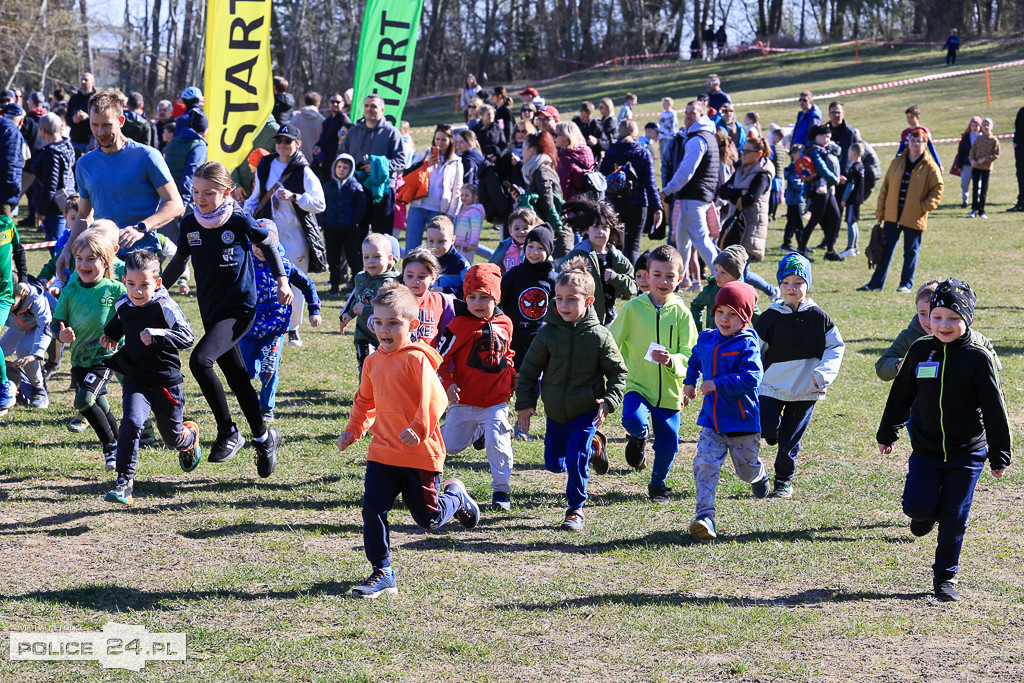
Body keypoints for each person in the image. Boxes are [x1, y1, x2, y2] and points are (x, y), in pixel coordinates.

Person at [338, 282, 481, 599]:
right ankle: (383, 571)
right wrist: (354, 429)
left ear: (413, 325)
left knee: (428, 519)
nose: (384, 330)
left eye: (394, 323)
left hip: (419, 455)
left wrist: (418, 427)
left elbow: (436, 399)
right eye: (379, 322)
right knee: (372, 509)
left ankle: (455, 496)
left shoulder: (417, 359)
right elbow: (365, 400)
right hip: (383, 452)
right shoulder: (374, 361)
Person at [877, 278, 1010, 602]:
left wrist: (999, 454)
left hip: (968, 452)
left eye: (953, 318)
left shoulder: (978, 358)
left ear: (967, 319)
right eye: (937, 317)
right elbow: (902, 393)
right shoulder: (921, 349)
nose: (944, 325)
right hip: (927, 448)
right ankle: (925, 515)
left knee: (955, 516)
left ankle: (945, 579)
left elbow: (995, 407)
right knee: (916, 505)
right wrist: (888, 431)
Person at [161, 161, 287, 476]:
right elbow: (179, 260)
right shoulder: (190, 224)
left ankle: (228, 430)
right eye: (195, 192)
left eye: (208, 193)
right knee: (237, 376)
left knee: (200, 361)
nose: (200, 198)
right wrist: (157, 290)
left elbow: (268, 245)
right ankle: (263, 436)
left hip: (240, 309)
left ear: (226, 192)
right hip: (211, 311)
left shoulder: (240, 221)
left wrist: (282, 279)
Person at [515, 256, 628, 531]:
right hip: (555, 413)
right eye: (560, 299)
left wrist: (609, 402)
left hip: (586, 411)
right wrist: (525, 404)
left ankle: (575, 510)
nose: (564, 305)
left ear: (588, 301)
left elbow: (618, 373)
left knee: (576, 457)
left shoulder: (599, 336)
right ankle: (595, 448)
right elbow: (528, 372)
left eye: (572, 299)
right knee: (555, 464)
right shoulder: (547, 335)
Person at [98, 250, 200, 504]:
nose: (137, 291)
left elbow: (188, 337)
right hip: (136, 378)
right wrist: (109, 336)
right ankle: (124, 483)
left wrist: (158, 333)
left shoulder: (165, 306)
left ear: (157, 283)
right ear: (124, 282)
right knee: (131, 423)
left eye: (144, 285)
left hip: (165, 381)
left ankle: (188, 438)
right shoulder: (124, 304)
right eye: (131, 284)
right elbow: (121, 321)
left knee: (172, 438)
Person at [55, 92, 186, 277]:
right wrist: (67, 249)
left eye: (107, 125)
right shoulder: (85, 164)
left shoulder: (147, 156)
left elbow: (175, 204)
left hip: (143, 259)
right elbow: (84, 215)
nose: (100, 132)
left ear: (121, 121)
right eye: (95, 125)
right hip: (103, 258)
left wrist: (141, 228)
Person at [610, 245, 697, 503]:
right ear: (646, 276)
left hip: (670, 392)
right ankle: (637, 438)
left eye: (670, 276)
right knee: (634, 420)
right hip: (637, 384)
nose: (663, 281)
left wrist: (673, 362)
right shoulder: (633, 309)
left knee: (668, 445)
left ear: (679, 279)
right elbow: (612, 343)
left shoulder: (682, 314)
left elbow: (691, 355)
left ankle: (658, 484)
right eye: (657, 274)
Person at [684, 280, 770, 540]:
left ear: (745, 317)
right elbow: (696, 357)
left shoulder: (748, 343)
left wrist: (716, 384)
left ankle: (758, 474)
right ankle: (705, 517)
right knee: (705, 463)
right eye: (720, 311)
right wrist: (690, 381)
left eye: (733, 314)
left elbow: (752, 379)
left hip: (742, 423)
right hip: (712, 422)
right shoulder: (707, 337)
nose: (724, 318)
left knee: (745, 472)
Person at [756, 253, 845, 498]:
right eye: (786, 282)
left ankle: (783, 482)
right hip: (771, 386)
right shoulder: (770, 316)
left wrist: (824, 374)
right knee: (766, 427)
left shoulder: (819, 317)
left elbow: (836, 347)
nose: (792, 288)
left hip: (806, 387)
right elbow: (755, 350)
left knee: (790, 440)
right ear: (779, 285)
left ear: (808, 285)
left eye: (798, 282)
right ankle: (772, 433)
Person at [437, 263, 518, 510]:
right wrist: (449, 385)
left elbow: (507, 353)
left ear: (496, 297)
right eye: (471, 297)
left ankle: (501, 492)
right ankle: (476, 432)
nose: (477, 303)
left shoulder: (506, 323)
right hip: (464, 401)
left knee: (498, 443)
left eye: (485, 297)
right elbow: (439, 360)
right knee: (449, 446)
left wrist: (512, 379)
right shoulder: (457, 326)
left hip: (496, 402)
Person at [246, 124, 326, 346]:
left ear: (297, 144)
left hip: (296, 233)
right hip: (268, 232)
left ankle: (294, 327)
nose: (282, 145)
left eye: (287, 141)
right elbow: (256, 195)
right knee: (265, 279)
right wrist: (244, 213)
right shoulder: (266, 164)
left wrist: (296, 197)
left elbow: (320, 203)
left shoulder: (304, 170)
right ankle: (266, 321)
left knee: (296, 280)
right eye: (279, 140)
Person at [52, 229, 126, 469]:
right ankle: (122, 447)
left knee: (83, 400)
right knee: (101, 405)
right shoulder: (70, 291)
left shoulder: (116, 290)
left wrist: (119, 338)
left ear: (105, 263)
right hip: (79, 360)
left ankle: (110, 447)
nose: (84, 264)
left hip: (106, 358)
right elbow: (55, 322)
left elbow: (132, 318)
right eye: (79, 259)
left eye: (91, 259)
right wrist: (60, 334)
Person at [239, 221, 321, 423]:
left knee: (269, 370)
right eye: (257, 245)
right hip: (248, 329)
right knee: (246, 373)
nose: (261, 250)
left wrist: (314, 310)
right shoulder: (244, 262)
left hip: (275, 329)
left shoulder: (284, 265)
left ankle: (266, 408)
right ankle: (251, 388)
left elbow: (307, 284)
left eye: (267, 245)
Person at [858, 127, 943, 293]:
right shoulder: (897, 161)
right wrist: (880, 210)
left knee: (910, 252)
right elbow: (886, 187)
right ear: (908, 143)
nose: (915, 144)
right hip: (892, 215)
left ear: (925, 144)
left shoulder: (930, 166)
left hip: (914, 216)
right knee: (884, 250)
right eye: (912, 140)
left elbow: (938, 188)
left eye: (919, 141)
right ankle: (876, 284)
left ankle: (906, 284)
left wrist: (924, 206)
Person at [874, 279, 1000, 382]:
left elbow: (996, 367)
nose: (929, 321)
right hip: (921, 407)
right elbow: (881, 366)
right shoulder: (910, 337)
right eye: (923, 314)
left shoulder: (973, 338)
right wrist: (899, 365)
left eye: (936, 315)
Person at [662, 100, 720, 282]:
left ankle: (724, 277)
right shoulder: (706, 135)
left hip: (692, 197)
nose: (687, 116)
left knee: (701, 242)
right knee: (682, 241)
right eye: (686, 112)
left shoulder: (697, 139)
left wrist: (667, 190)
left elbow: (685, 171)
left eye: (692, 112)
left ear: (702, 115)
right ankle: (680, 279)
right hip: (697, 196)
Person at [338, 95, 406, 236]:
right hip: (357, 187)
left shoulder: (392, 133)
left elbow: (401, 161)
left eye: (374, 106)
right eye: (367, 106)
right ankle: (356, 258)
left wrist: (377, 168)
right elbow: (342, 156)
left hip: (383, 189)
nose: (370, 109)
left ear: (382, 109)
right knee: (356, 232)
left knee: (381, 235)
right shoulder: (353, 131)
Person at [562, 198, 637, 325]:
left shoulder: (617, 257)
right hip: (581, 321)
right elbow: (560, 281)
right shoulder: (578, 254)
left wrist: (615, 278)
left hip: (609, 319)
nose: (600, 231)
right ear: (587, 229)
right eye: (595, 226)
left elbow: (632, 289)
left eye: (605, 227)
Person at [599, 120, 662, 266]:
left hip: (614, 204)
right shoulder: (642, 152)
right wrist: (657, 208)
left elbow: (602, 179)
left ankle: (613, 281)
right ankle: (633, 282)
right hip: (637, 204)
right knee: (633, 247)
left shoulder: (611, 152)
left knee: (614, 247)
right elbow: (650, 183)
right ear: (635, 132)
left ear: (619, 132)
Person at [340, 233, 400, 375]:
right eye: (366, 257)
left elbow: (388, 309)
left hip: (385, 335)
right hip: (364, 333)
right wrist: (349, 314)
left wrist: (366, 310)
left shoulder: (391, 282)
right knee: (365, 362)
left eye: (376, 256)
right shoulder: (360, 277)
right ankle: (365, 395)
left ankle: (381, 394)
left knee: (385, 367)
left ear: (389, 258)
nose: (371, 261)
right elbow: (358, 298)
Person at [719, 136, 776, 269]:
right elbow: (722, 191)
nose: (742, 154)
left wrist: (735, 193)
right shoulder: (740, 169)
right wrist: (740, 194)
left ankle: (770, 291)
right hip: (737, 222)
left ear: (759, 154)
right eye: (742, 150)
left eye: (747, 151)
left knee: (739, 270)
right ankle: (772, 291)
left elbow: (750, 198)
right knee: (741, 271)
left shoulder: (763, 174)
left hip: (751, 226)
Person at [405, 124, 463, 251]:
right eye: (437, 139)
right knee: (412, 246)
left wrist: (451, 214)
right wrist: (425, 164)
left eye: (444, 140)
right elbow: (408, 173)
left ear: (450, 141)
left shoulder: (456, 162)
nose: (440, 143)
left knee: (436, 248)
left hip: (439, 209)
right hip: (418, 205)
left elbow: (457, 190)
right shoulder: (425, 154)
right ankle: (410, 270)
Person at [513, 132, 569, 256]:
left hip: (557, 238)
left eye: (524, 149)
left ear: (531, 151)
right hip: (553, 236)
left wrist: (529, 200)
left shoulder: (541, 171)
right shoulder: (540, 169)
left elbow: (547, 203)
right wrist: (522, 197)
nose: (522, 154)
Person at [2, 272, 52, 410]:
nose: (4, 303)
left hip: (43, 327)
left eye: (9, 299)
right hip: (19, 327)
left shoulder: (34, 297)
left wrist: (36, 353)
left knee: (24, 350)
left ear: (22, 292)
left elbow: (46, 325)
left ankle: (39, 390)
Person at [794, 125, 843, 261]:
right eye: (826, 136)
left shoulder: (823, 149)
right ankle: (801, 250)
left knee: (836, 217)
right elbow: (822, 168)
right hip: (818, 190)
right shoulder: (813, 150)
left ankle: (830, 251)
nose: (828, 139)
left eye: (829, 137)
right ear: (818, 136)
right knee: (814, 220)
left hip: (826, 188)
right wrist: (835, 179)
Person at [320, 153, 367, 295]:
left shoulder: (355, 186)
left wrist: (353, 221)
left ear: (351, 169)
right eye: (339, 166)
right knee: (333, 259)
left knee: (353, 258)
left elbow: (361, 206)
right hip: (331, 229)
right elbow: (321, 205)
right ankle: (334, 286)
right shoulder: (328, 186)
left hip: (350, 229)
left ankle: (356, 285)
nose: (341, 170)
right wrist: (324, 221)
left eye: (345, 167)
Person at [689, 245, 761, 332]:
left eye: (723, 272)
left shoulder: (745, 293)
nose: (716, 275)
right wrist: (697, 331)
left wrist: (760, 338)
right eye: (716, 270)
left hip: (738, 340)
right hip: (715, 340)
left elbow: (758, 318)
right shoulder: (711, 290)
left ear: (736, 276)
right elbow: (696, 306)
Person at [31, 112, 76, 248]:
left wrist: (41, 211)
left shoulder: (52, 152)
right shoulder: (67, 145)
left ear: (42, 130)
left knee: (57, 247)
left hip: (54, 206)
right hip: (68, 200)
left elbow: (50, 185)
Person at [402, 248, 454, 348]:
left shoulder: (441, 300)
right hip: (402, 357)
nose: (415, 281)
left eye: (421, 277)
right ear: (403, 276)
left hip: (429, 358)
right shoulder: (396, 299)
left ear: (432, 279)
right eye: (410, 276)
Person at [164, 109, 208, 206]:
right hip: (183, 198)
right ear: (204, 130)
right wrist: (184, 201)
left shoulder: (174, 141)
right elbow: (192, 173)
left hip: (166, 194)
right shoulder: (199, 146)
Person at [490, 208, 542, 274]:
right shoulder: (504, 247)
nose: (521, 231)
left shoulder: (538, 248)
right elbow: (493, 266)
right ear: (510, 230)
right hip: (508, 283)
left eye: (525, 228)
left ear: (534, 229)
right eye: (516, 228)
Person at [313, 92, 351, 179]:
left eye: (338, 102)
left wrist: (322, 148)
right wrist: (317, 146)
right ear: (329, 103)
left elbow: (343, 142)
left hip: (335, 161)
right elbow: (323, 137)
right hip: (323, 161)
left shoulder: (344, 121)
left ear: (343, 104)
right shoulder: (327, 120)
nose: (335, 104)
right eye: (332, 101)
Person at [554, 122, 595, 202]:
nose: (554, 138)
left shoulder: (565, 158)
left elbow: (562, 189)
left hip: (573, 204)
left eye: (556, 134)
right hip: (589, 200)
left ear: (566, 137)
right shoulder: (587, 150)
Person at [967, 117, 999, 219]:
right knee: (975, 188)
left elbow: (996, 155)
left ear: (991, 127)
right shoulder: (978, 139)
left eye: (987, 125)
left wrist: (985, 159)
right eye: (984, 125)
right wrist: (972, 160)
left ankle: (982, 210)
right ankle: (974, 209)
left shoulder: (994, 140)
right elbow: (972, 152)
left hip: (986, 168)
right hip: (976, 167)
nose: (985, 127)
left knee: (984, 190)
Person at [838, 142, 866, 258]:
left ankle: (850, 248)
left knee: (850, 223)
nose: (847, 154)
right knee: (854, 223)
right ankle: (855, 247)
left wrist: (844, 199)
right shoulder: (861, 166)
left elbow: (851, 185)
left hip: (852, 200)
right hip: (858, 199)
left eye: (849, 152)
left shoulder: (853, 168)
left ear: (853, 153)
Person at [953, 116, 982, 208]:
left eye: (977, 125)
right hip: (966, 165)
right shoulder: (966, 137)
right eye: (973, 125)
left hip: (979, 165)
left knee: (978, 184)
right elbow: (960, 152)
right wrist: (959, 165)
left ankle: (977, 200)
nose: (974, 127)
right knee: (964, 184)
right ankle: (965, 201)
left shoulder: (983, 137)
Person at [65, 72, 96, 158]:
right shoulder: (74, 98)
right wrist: (73, 119)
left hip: (91, 140)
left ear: (93, 82)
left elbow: (101, 118)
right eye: (82, 80)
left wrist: (87, 117)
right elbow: (67, 117)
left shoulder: (96, 99)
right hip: (75, 140)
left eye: (86, 80)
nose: (83, 82)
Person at [781, 145, 805, 251]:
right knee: (798, 223)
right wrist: (807, 184)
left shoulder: (798, 166)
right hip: (795, 200)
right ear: (794, 154)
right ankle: (802, 245)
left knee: (791, 222)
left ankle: (786, 243)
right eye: (800, 153)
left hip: (794, 200)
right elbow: (797, 184)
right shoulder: (794, 167)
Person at [454, 184, 485, 261]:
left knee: (466, 265)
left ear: (474, 196)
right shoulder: (463, 209)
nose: (463, 197)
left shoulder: (475, 212)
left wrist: (472, 243)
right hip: (459, 244)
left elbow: (476, 230)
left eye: (467, 195)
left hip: (468, 246)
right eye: (462, 195)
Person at [291, 91, 323, 160]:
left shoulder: (295, 118)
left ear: (305, 103)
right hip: (315, 160)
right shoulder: (323, 121)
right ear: (318, 104)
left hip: (296, 159)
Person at [1010, 86, 1024, 213]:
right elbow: (1017, 129)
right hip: (1021, 151)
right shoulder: (1021, 112)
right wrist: (1015, 144)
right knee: (1020, 176)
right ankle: (1021, 202)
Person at [657, 97, 678, 162]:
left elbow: (674, 125)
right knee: (662, 155)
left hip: (669, 137)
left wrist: (673, 135)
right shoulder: (662, 114)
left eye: (665, 103)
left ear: (670, 104)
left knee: (668, 154)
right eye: (663, 103)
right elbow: (660, 124)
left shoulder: (673, 113)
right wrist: (658, 135)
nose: (663, 105)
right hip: (662, 137)